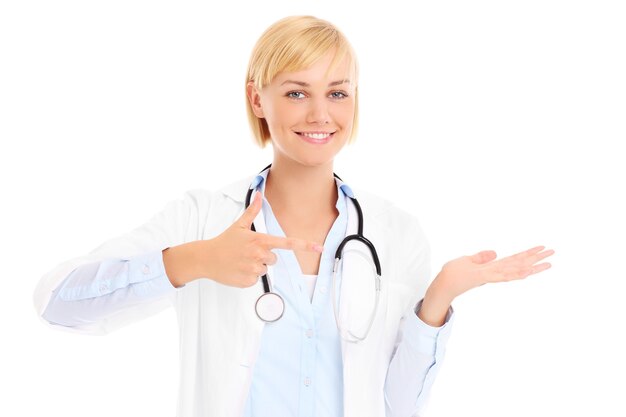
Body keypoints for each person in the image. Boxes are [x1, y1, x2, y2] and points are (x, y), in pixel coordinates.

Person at [33, 15, 555, 417]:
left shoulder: (396, 234)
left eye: (337, 93)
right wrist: (192, 261)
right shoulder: (201, 218)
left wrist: (438, 298)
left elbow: (397, 404)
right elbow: (59, 304)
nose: (320, 114)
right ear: (257, 99)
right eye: (296, 92)